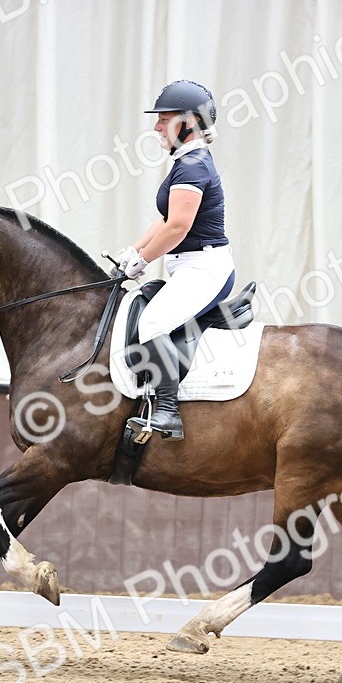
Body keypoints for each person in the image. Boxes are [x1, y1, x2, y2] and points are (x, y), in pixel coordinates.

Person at [117, 79, 235, 441]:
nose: (156, 126)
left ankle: (167, 411)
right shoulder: (186, 163)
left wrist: (143, 261)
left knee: (151, 324)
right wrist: (134, 251)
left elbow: (179, 227)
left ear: (188, 122)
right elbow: (165, 219)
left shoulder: (194, 167)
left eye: (163, 119)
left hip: (205, 269)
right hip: (188, 266)